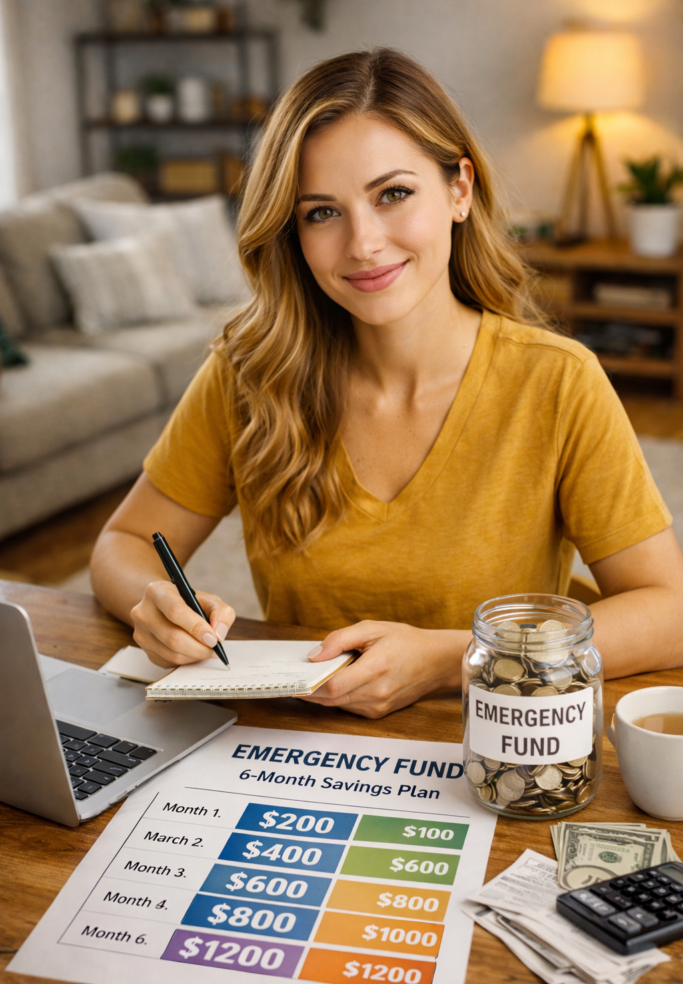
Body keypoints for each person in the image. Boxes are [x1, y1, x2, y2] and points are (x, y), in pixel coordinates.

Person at [91, 48, 683, 719]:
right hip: (293, 749)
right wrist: (156, 605)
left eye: (393, 194)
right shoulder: (248, 373)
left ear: (459, 189)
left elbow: (669, 612)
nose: (363, 243)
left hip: (496, 749)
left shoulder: (556, 382)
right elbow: (124, 543)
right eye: (321, 212)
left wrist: (451, 659)